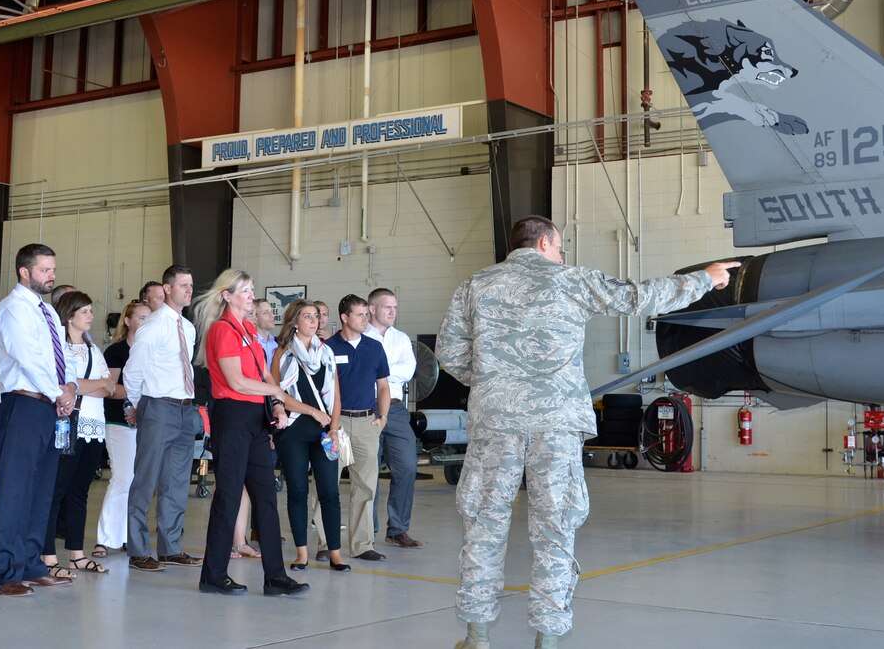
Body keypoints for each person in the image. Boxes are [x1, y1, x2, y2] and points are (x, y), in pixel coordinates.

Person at [436, 215, 739, 649]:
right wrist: (703, 280)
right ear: (544, 243)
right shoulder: (572, 280)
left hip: (495, 422)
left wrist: (495, 382)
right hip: (557, 426)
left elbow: (449, 351)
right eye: (560, 247)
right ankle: (548, 640)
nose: (562, 255)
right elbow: (641, 297)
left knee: (484, 525)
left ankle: (478, 637)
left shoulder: (475, 285)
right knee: (555, 529)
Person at [193, 269, 307, 597]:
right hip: (232, 418)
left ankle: (275, 576)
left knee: (266, 498)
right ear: (227, 295)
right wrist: (281, 394)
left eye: (251, 290)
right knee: (228, 496)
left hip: (256, 419)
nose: (250, 295)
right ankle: (213, 574)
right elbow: (237, 381)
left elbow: (261, 379)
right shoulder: (222, 330)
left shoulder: (249, 331)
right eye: (243, 290)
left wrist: (275, 406)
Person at [0, 243, 81, 597]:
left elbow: (64, 357)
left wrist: (70, 387)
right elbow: (28, 359)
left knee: (41, 491)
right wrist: (59, 393)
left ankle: (30, 563)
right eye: (45, 270)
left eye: (53, 269)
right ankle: (4, 572)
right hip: (24, 404)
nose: (51, 276)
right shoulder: (13, 310)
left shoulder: (49, 313)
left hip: (50, 406)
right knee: (15, 491)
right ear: (24, 272)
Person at [123, 266, 204, 572]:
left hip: (185, 408)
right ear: (167, 289)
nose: (189, 290)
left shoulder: (189, 327)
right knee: (145, 480)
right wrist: (133, 405)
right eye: (183, 285)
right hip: (157, 407)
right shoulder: (154, 326)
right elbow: (133, 371)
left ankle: (170, 547)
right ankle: (138, 549)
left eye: (191, 285)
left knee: (177, 482)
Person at [270, 300, 349, 573]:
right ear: (294, 321)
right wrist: (313, 412)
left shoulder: (326, 352)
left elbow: (336, 396)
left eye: (316, 316)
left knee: (330, 492)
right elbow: (279, 396)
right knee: (298, 491)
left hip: (324, 431)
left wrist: (334, 428)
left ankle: (336, 554)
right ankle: (301, 553)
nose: (314, 320)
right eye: (307, 316)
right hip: (293, 431)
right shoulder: (282, 353)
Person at [40, 291, 115, 578]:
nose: (90, 316)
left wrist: (92, 385)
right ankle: (47, 554)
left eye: (90, 310)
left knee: (80, 492)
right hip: (69, 424)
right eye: (84, 311)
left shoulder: (94, 348)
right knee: (56, 490)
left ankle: (76, 554)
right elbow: (69, 384)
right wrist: (94, 385)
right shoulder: (60, 347)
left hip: (94, 425)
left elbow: (109, 385)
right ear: (69, 315)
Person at [314, 295, 390, 563]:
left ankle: (362, 544)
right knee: (328, 484)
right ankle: (326, 543)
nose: (365, 319)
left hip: (367, 423)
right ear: (344, 318)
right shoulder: (327, 348)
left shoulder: (374, 348)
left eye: (365, 315)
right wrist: (328, 424)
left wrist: (382, 418)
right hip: (336, 424)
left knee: (366, 487)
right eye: (359, 315)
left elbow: (383, 386)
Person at [92, 300, 151, 558]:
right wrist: (139, 393)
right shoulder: (116, 352)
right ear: (127, 321)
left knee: (138, 481)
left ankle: (127, 535)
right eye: (140, 317)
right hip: (119, 421)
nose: (145, 322)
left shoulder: (151, 350)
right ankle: (104, 539)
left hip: (146, 422)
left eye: (149, 318)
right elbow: (110, 387)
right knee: (122, 478)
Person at [365, 287, 422, 550]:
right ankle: (367, 530)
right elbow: (363, 372)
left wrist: (380, 371)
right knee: (369, 472)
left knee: (408, 467)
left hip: (397, 410)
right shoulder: (359, 336)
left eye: (395, 307)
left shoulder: (401, 339)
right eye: (387, 307)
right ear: (372, 309)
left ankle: (397, 529)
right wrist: (388, 371)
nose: (392, 312)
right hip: (367, 408)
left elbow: (408, 370)